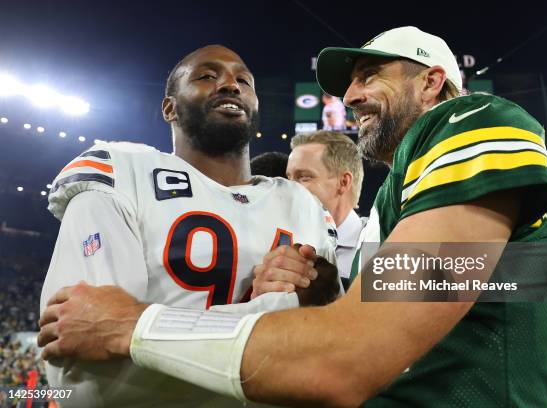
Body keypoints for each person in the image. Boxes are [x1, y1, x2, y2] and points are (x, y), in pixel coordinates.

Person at [38, 26, 547, 407]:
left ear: (433, 82)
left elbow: (346, 360)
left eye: (371, 75)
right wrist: (326, 296)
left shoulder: (475, 121)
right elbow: (523, 280)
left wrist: (131, 324)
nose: (351, 95)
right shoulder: (400, 195)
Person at [38, 44, 339, 407]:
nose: (230, 85)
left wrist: (322, 299)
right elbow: (84, 382)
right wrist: (287, 311)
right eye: (207, 76)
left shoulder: (304, 205)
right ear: (170, 107)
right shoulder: (121, 173)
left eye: (243, 80)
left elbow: (333, 355)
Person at [287, 131, 366, 287]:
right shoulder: (282, 243)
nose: (288, 187)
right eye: (288, 177)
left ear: (343, 182)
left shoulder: (381, 244)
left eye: (303, 177)